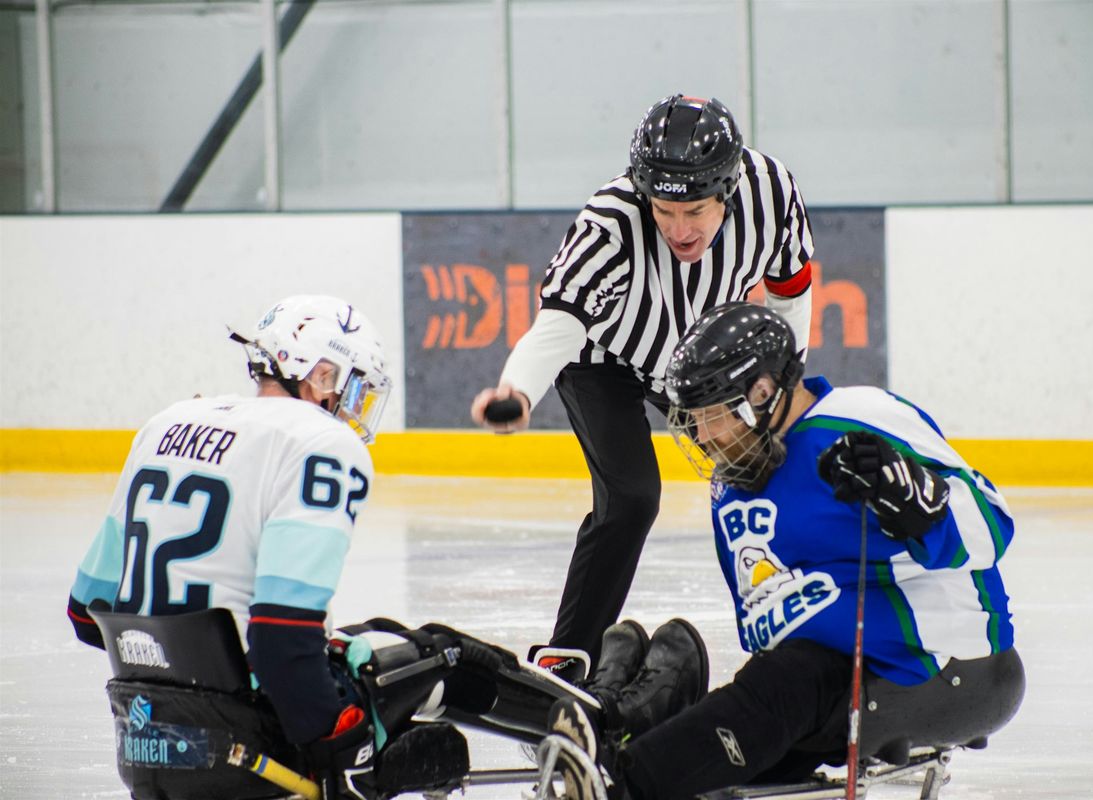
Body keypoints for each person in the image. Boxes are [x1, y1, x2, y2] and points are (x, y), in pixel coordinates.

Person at [547, 302, 1025, 800]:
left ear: (764, 391)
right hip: (812, 684)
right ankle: (618, 738)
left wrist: (912, 498)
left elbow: (992, 530)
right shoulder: (731, 483)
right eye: (694, 419)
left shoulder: (859, 418)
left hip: (947, 666)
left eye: (714, 414)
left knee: (783, 683)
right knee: (707, 690)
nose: (702, 436)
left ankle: (618, 786)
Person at [471, 94, 816, 679]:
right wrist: (519, 391)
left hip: (697, 356)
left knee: (771, 467)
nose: (679, 230)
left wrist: (783, 389)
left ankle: (807, 637)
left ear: (728, 190)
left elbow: (791, 288)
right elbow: (557, 327)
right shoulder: (609, 223)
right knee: (631, 498)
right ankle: (568, 664)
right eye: (664, 211)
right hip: (602, 357)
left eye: (696, 211)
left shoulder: (771, 191)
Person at [67, 295, 401, 800]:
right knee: (439, 660)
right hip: (253, 749)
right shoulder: (321, 442)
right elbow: (280, 641)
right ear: (321, 376)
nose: (355, 408)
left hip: (146, 737)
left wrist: (186, 656)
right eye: (352, 387)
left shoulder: (169, 421)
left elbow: (87, 614)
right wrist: (335, 742)